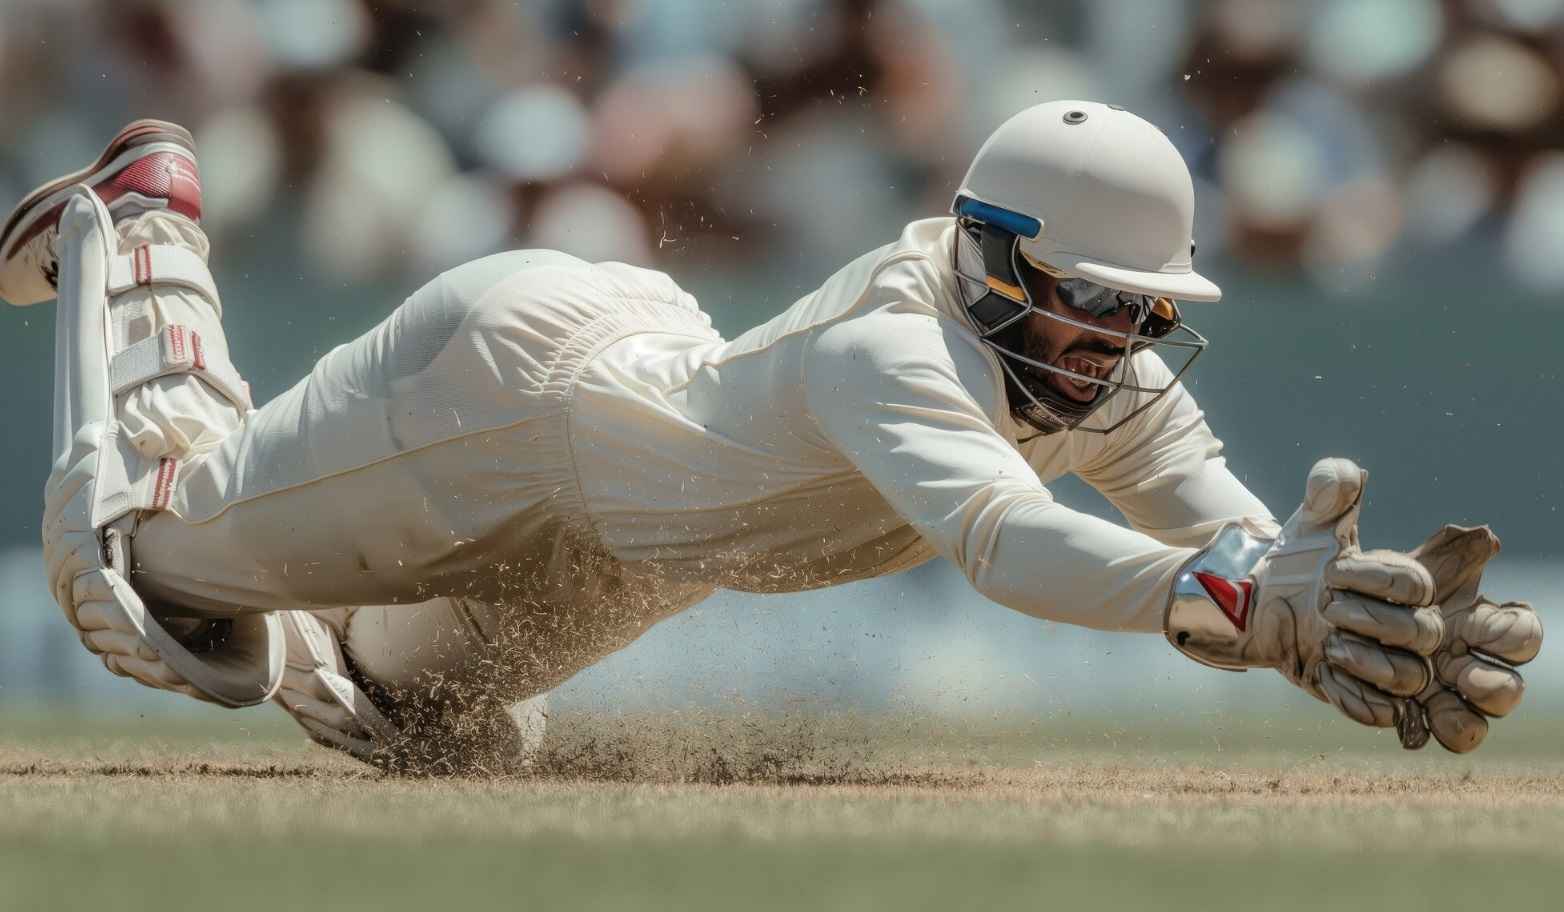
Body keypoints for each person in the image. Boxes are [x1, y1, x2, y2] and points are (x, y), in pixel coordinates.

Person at [1, 102, 1541, 772]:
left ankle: (298, 555)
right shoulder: (895, 343)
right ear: (995, 257)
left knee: (408, 719)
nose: (1118, 341)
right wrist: (1238, 610)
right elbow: (1006, 544)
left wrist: (1330, 599)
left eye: (1144, 311)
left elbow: (1225, 528)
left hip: (634, 549)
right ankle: (146, 219)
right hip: (515, 401)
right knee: (149, 588)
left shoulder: (1107, 374)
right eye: (1092, 301)